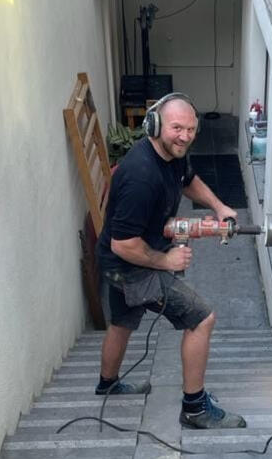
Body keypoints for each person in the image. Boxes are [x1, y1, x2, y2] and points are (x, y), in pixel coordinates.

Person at [95, 93, 246, 429]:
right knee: (201, 318)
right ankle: (194, 409)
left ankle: (107, 385)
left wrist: (219, 207)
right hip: (128, 266)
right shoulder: (140, 176)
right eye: (177, 128)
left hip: (119, 258)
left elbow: (187, 180)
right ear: (154, 125)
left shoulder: (171, 154)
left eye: (191, 130)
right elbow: (124, 245)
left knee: (122, 321)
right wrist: (166, 260)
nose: (185, 136)